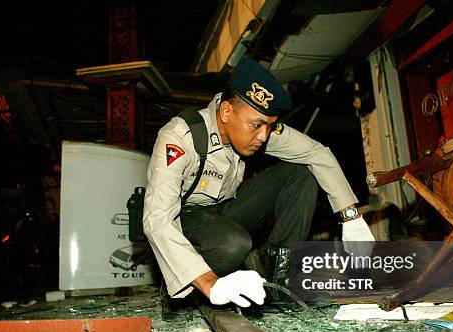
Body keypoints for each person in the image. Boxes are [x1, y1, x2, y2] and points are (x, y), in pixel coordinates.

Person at [143, 58, 374, 309]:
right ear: (226, 112)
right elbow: (158, 218)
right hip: (184, 218)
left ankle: (283, 282)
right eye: (257, 125)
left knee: (300, 171)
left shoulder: (252, 130)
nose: (263, 136)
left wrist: (350, 216)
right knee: (233, 244)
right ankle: (184, 284)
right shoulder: (180, 136)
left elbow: (316, 153)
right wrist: (211, 284)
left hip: (224, 210)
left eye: (269, 126)